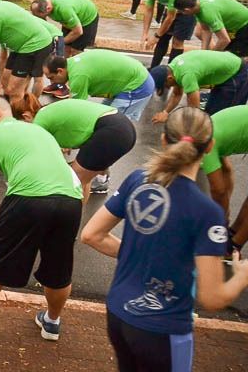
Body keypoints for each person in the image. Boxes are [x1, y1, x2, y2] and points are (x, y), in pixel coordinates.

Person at [81, 107, 248, 372]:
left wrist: (137, 253)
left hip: (118, 314)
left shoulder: (137, 180)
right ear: (210, 147)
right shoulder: (207, 212)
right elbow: (213, 298)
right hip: (164, 329)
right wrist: (241, 275)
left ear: (163, 140)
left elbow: (91, 235)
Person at [0, 96, 83, 341]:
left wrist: (3, 221)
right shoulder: (39, 131)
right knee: (59, 269)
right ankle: (51, 322)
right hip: (71, 199)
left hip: (28, 197)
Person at [34, 98, 137, 203]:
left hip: (112, 131)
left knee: (75, 181)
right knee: (82, 180)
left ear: (26, 116)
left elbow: (34, 154)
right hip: (122, 125)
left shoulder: (37, 122)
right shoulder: (50, 111)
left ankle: (73, 217)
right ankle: (77, 215)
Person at [44, 49, 155, 122]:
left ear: (60, 71)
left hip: (137, 85)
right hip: (126, 81)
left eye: (51, 78)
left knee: (114, 124)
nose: (53, 83)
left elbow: (77, 110)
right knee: (102, 118)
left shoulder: (78, 76)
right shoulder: (72, 64)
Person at [150, 50, 248, 122]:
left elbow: (195, 110)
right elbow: (177, 94)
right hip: (226, 71)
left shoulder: (187, 75)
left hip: (237, 74)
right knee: (210, 115)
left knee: (223, 117)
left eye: (166, 86)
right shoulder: (175, 67)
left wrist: (178, 123)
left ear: (169, 78)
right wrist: (165, 112)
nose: (168, 88)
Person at [201, 106, 248, 250]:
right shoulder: (207, 133)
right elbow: (226, 171)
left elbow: (219, 191)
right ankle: (233, 233)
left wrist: (221, 223)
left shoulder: (204, 146)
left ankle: (233, 247)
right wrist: (225, 223)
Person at [30, 0, 100, 58]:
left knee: (76, 52)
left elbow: (78, 31)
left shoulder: (64, 10)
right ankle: (63, 66)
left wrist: (58, 43)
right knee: (65, 49)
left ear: (48, 8)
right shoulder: (40, 2)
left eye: (44, 16)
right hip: (69, 18)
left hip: (87, 18)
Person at [174, 0, 248, 54]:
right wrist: (203, 52)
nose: (183, 14)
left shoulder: (207, 13)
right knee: (225, 54)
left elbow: (224, 40)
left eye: (182, 12)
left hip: (244, 26)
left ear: (186, 10)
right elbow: (206, 30)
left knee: (235, 58)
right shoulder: (198, 5)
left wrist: (211, 56)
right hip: (236, 27)